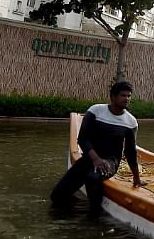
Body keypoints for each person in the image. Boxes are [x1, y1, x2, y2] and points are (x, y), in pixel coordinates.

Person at [50, 81, 146, 218]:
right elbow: (82, 139)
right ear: (112, 97)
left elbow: (130, 152)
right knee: (56, 196)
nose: (127, 99)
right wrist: (95, 159)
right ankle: (71, 212)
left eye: (129, 96)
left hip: (110, 161)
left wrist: (137, 178)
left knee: (93, 177)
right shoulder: (96, 111)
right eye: (123, 95)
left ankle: (94, 214)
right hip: (90, 157)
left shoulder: (130, 122)